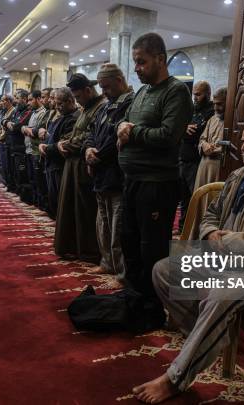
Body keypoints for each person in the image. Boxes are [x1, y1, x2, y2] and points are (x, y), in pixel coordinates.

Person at [133, 117, 244, 404]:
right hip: (224, 262)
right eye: (242, 141)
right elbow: (210, 215)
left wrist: (226, 240)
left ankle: (175, 378)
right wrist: (211, 232)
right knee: (164, 270)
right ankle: (209, 338)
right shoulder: (237, 177)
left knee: (220, 295)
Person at [116, 32, 193, 298]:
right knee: (129, 240)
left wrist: (132, 132)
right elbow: (124, 122)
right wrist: (123, 130)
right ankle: (135, 296)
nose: (136, 68)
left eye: (141, 62)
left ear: (160, 59)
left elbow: (168, 137)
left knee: (151, 247)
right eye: (135, 62)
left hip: (157, 185)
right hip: (133, 180)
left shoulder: (176, 92)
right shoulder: (141, 92)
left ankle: (153, 303)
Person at [84, 64, 134, 284]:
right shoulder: (106, 106)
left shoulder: (131, 104)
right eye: (101, 87)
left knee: (118, 229)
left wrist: (97, 156)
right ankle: (107, 263)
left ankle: (121, 273)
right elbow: (91, 132)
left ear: (120, 80)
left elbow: (117, 141)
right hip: (100, 175)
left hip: (117, 175)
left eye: (106, 86)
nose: (103, 91)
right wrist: (88, 149)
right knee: (102, 223)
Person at [54, 74, 107, 263]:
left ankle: (89, 251)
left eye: (77, 97)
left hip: (83, 166)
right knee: (73, 210)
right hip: (74, 165)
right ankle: (75, 248)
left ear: (87, 91)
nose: (77, 101)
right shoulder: (87, 107)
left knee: (84, 211)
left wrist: (66, 145)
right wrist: (64, 142)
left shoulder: (100, 106)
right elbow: (77, 133)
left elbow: (89, 136)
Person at [187, 87, 227, 240]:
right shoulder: (213, 119)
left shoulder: (232, 119)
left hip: (217, 168)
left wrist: (215, 149)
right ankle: (194, 237)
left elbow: (231, 145)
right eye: (215, 104)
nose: (216, 107)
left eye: (220, 104)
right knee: (199, 202)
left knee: (212, 205)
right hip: (204, 166)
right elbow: (202, 139)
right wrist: (204, 145)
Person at [177, 81, 214, 233]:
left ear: (207, 94)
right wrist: (183, 129)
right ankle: (182, 228)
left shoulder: (211, 112)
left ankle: (194, 230)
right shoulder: (191, 110)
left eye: (198, 94)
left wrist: (186, 132)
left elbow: (197, 134)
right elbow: (178, 128)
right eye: (194, 94)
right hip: (182, 160)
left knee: (194, 199)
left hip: (196, 163)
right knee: (183, 198)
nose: (195, 98)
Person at [39, 88, 79, 219]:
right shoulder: (60, 117)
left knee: (62, 205)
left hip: (60, 167)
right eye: (56, 104)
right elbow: (51, 138)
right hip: (52, 165)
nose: (57, 107)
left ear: (70, 101)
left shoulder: (73, 118)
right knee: (54, 202)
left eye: (59, 104)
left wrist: (46, 148)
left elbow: (64, 144)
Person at [21, 90, 47, 205]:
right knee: (32, 179)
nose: (29, 102)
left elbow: (34, 132)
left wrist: (27, 129)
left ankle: (41, 204)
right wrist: (26, 129)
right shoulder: (33, 112)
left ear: (38, 99)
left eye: (31, 99)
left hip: (36, 151)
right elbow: (26, 128)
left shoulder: (43, 112)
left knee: (39, 181)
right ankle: (36, 202)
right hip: (29, 150)